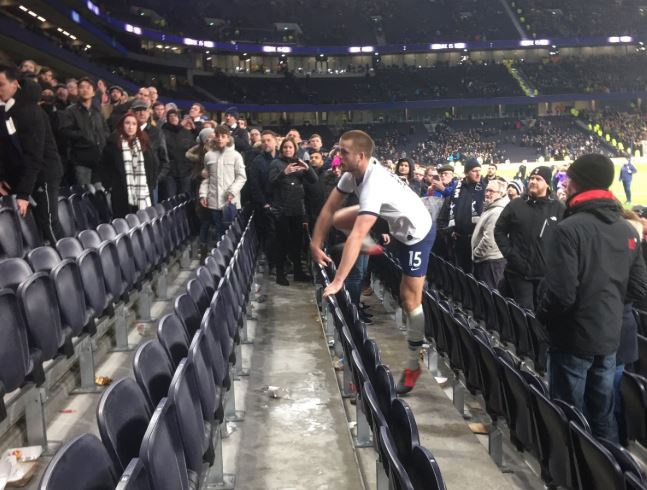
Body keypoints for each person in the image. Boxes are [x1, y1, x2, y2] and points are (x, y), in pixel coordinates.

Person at [311, 130, 434, 395]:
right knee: (340, 218)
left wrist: (338, 281)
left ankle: (415, 361)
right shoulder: (351, 174)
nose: (337, 156)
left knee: (409, 298)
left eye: (343, 152)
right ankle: (371, 246)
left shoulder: (373, 184)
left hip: (416, 233)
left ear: (361, 156)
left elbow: (356, 233)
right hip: (395, 219)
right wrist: (315, 243)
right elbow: (328, 210)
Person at [536, 154, 647, 442]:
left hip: (572, 339)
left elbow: (560, 294)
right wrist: (607, 307)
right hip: (610, 338)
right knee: (603, 416)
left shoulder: (569, 229)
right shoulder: (626, 229)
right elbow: (639, 288)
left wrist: (542, 317)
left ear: (577, 182)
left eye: (569, 177)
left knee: (568, 416)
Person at [0, 66, 64, 243]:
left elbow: (34, 155)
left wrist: (23, 193)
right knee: (38, 225)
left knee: (49, 222)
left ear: (14, 85)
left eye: (1, 85)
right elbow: (6, 149)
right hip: (29, 176)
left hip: (44, 173)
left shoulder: (29, 111)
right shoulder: (8, 110)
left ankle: (69, 264)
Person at [495, 166, 564, 309]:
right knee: (526, 314)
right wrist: (510, 254)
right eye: (531, 178)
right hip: (519, 273)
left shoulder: (558, 208)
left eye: (538, 179)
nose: (533, 181)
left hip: (546, 276)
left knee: (543, 314)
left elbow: (565, 239)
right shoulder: (516, 205)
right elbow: (499, 230)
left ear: (547, 183)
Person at [269, 138, 317, 285]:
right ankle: (280, 274)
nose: (288, 150)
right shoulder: (276, 163)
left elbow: (314, 180)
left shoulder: (299, 163)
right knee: (281, 244)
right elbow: (271, 182)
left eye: (290, 147)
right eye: (285, 147)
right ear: (281, 149)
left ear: (295, 149)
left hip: (297, 209)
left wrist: (307, 168)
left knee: (297, 243)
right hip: (282, 209)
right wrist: (284, 173)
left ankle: (298, 272)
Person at [99, 112, 156, 218]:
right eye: (127, 123)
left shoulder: (144, 145)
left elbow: (153, 167)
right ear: (122, 125)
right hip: (120, 193)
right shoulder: (112, 145)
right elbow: (103, 168)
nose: (131, 127)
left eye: (134, 124)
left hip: (142, 193)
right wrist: (110, 185)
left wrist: (151, 185)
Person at [198, 125, 247, 250]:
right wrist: (203, 194)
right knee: (218, 232)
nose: (220, 139)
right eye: (218, 136)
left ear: (228, 138)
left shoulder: (236, 156)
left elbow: (242, 177)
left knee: (232, 233)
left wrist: (232, 191)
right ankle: (221, 259)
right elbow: (207, 178)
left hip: (230, 202)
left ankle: (230, 259)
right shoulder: (208, 155)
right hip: (214, 201)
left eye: (223, 136)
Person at [59, 77, 109, 185]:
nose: (85, 90)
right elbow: (65, 132)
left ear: (93, 92)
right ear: (77, 91)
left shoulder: (97, 112)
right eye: (81, 87)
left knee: (99, 194)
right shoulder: (71, 110)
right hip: (81, 159)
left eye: (88, 87)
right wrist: (83, 136)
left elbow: (105, 131)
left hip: (98, 158)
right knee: (84, 193)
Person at [444, 158, 485, 273]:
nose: (478, 174)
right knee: (461, 272)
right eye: (474, 171)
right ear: (466, 173)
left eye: (479, 170)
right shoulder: (457, 189)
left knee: (476, 274)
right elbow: (448, 210)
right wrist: (450, 231)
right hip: (458, 239)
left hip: (476, 240)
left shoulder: (484, 189)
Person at [471, 180, 508, 289]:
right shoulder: (491, 207)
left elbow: (489, 240)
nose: (487, 193)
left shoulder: (496, 212)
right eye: (487, 190)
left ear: (500, 194)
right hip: (487, 260)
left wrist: (476, 253)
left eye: (491, 191)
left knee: (490, 296)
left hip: (491, 262)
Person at [162, 109, 194, 197]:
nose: (173, 118)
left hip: (185, 172)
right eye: (170, 116)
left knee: (184, 199)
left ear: (179, 118)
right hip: (169, 172)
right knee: (170, 198)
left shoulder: (186, 132)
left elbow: (193, 150)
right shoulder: (162, 132)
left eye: (175, 116)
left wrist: (189, 167)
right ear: (167, 119)